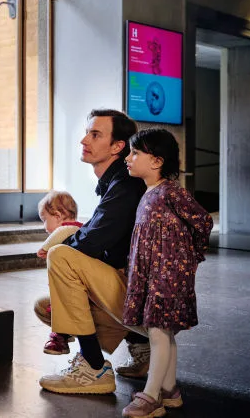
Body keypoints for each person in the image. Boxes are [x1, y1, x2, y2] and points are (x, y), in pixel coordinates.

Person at [38, 109, 149, 396]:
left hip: (142, 297)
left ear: (117, 146)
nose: (84, 139)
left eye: (95, 134)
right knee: (46, 305)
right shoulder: (115, 183)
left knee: (61, 257)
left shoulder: (125, 185)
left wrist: (62, 249)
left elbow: (93, 241)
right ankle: (144, 350)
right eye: (88, 132)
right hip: (130, 286)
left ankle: (93, 367)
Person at [121, 128, 213, 418]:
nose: (129, 158)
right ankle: (170, 390)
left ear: (157, 161)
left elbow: (203, 220)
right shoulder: (149, 192)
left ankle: (151, 396)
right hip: (153, 275)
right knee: (161, 332)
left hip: (168, 276)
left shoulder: (170, 192)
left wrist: (191, 257)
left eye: (136, 153)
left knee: (159, 332)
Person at [35, 190, 82, 355]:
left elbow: (61, 232)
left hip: (72, 285)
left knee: (60, 305)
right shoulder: (77, 230)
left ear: (57, 215)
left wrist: (44, 248)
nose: (44, 226)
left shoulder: (69, 228)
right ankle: (63, 334)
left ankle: (60, 335)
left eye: (44, 220)